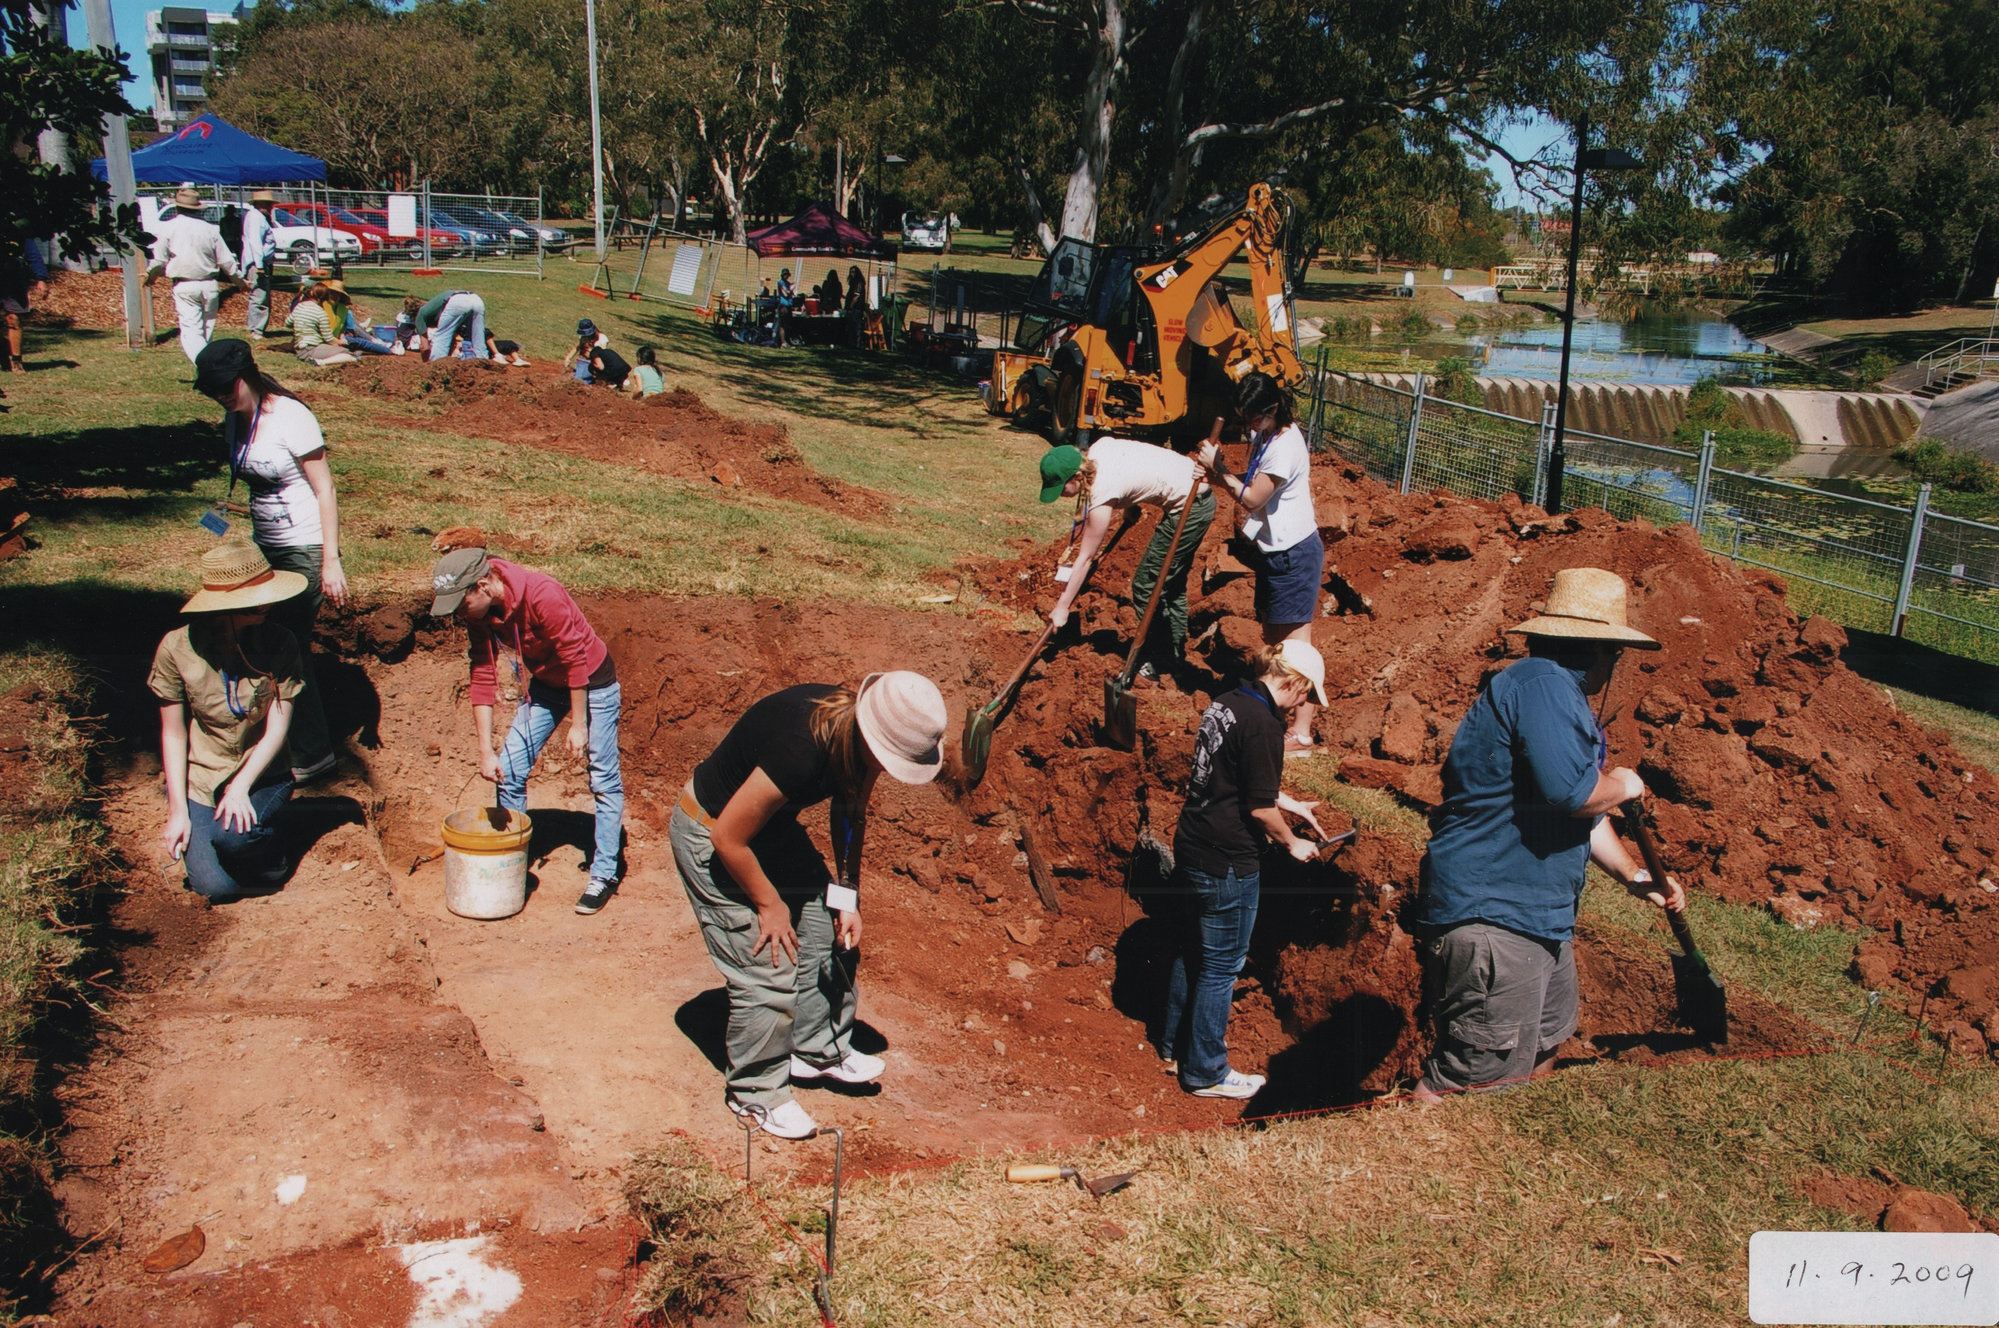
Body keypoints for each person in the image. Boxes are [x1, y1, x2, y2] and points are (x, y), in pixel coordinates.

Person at [1414, 568, 1686, 1098]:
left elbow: (1580, 811)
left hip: (1538, 916)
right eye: (1617, 655)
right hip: (1495, 913)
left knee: (1543, 1044)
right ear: (1600, 648)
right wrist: (1625, 784)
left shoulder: (1548, 692)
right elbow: (1575, 794)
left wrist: (1633, 875)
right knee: (1476, 1075)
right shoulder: (1544, 684)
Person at [671, 672, 947, 1140]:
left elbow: (850, 812)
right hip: (713, 833)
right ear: (871, 735)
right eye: (887, 760)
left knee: (829, 930)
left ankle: (817, 1048)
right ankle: (756, 1094)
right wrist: (769, 903)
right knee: (769, 965)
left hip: (769, 830)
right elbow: (728, 837)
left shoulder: (854, 744)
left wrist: (847, 895)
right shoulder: (802, 747)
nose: (883, 771)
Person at [1160, 640, 1329, 1098]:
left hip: (1194, 841)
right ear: (1292, 680)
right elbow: (1257, 809)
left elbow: (1231, 777)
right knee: (1222, 965)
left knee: (1193, 947)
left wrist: (1292, 804)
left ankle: (1175, 1046)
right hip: (1228, 860)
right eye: (1308, 693)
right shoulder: (1263, 725)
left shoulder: (1229, 703)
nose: (1306, 703)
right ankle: (1206, 1072)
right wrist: (1292, 842)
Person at [429, 546, 625, 915]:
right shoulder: (480, 612)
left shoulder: (541, 593)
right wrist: (486, 750)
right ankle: (511, 859)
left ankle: (605, 872)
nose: (457, 614)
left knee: (603, 778)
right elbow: (482, 675)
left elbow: (574, 657)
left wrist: (579, 725)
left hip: (593, 682)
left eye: (460, 604)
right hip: (547, 685)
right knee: (510, 769)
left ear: (484, 586)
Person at [192, 338, 347, 784]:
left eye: (227, 385)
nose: (221, 395)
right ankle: (279, 746)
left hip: (304, 546)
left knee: (286, 647)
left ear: (249, 374)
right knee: (266, 643)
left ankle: (311, 756)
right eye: (212, 389)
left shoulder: (292, 418)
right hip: (267, 547)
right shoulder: (234, 420)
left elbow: (325, 489)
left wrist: (329, 560)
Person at [151, 540, 308, 900]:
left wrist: (240, 787)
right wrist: (178, 811)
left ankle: (270, 843)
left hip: (262, 774)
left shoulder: (281, 642)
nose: (266, 604)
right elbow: (173, 733)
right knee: (215, 888)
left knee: (234, 839)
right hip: (205, 776)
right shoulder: (176, 648)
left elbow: (278, 727)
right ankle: (238, 843)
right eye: (254, 598)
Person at [1198, 372, 1324, 756]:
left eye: (1254, 419)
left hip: (1295, 553)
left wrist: (1218, 469)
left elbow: (1252, 498)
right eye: (1245, 419)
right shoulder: (1267, 433)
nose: (1250, 426)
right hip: (1274, 552)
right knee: (1275, 642)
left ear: (1272, 409)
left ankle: (1301, 735)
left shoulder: (1285, 447)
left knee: (1296, 648)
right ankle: (1281, 718)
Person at [1038, 437, 1215, 676]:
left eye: (1061, 488)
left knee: (1146, 584)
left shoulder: (1102, 493)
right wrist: (1130, 505)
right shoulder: (1100, 447)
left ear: (1078, 477)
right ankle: (1174, 652)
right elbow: (1137, 466)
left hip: (1191, 507)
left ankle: (1158, 658)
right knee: (1171, 584)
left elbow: (1086, 558)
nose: (1060, 495)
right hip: (1196, 493)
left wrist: (1062, 607)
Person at [146, 183, 242, 363]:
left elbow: (159, 260)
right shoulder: (210, 229)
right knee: (207, 330)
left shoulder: (169, 227)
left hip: (185, 284)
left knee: (192, 332)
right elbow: (226, 261)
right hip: (210, 285)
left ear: (177, 206)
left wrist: (151, 277)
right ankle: (210, 368)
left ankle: (208, 367)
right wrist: (239, 282)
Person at [1, 236, 48, 374]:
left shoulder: (17, 228)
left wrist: (41, 278)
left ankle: (16, 361)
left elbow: (32, 253)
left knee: (13, 319)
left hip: (14, 280)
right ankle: (3, 355)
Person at [286, 282, 360, 365]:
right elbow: (328, 339)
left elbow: (288, 323)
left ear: (311, 292)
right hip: (312, 349)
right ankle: (320, 362)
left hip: (299, 348)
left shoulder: (299, 307)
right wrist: (341, 342)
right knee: (350, 355)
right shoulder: (321, 313)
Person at [239, 190, 279, 340]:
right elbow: (255, 241)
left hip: (261, 262)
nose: (271, 208)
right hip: (258, 263)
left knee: (262, 296)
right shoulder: (256, 218)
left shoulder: (258, 217)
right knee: (259, 297)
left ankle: (258, 328)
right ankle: (256, 330)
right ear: (261, 205)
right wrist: (259, 264)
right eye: (269, 205)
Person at [415, 289, 488, 362]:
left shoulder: (420, 315)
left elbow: (424, 347)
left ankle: (436, 367)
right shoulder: (433, 311)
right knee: (478, 340)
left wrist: (425, 365)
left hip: (457, 302)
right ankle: (485, 367)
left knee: (441, 338)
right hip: (476, 299)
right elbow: (451, 339)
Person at [565, 320, 631, 388]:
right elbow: (578, 346)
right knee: (579, 377)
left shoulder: (602, 339)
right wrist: (568, 357)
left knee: (584, 379)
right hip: (586, 361)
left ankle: (612, 381)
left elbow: (600, 359)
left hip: (597, 362)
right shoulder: (583, 337)